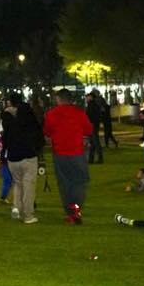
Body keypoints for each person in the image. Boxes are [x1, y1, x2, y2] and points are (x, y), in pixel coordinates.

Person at [43, 89, 93, 224]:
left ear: (58, 99)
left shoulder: (51, 114)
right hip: (76, 152)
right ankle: (76, 209)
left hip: (59, 153)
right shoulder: (79, 113)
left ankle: (70, 211)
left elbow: (47, 132)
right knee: (79, 182)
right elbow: (88, 129)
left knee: (64, 183)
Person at [2, 91, 41, 223]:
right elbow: (37, 133)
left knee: (18, 183)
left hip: (12, 156)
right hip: (28, 154)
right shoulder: (27, 114)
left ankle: (16, 208)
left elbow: (4, 137)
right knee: (28, 185)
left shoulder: (6, 117)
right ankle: (28, 215)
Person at [84, 89, 105, 164]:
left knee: (95, 142)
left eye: (88, 97)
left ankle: (98, 158)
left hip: (92, 125)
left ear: (91, 97)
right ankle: (91, 159)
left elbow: (92, 116)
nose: (86, 98)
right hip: (92, 125)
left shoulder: (92, 105)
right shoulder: (92, 105)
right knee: (93, 143)